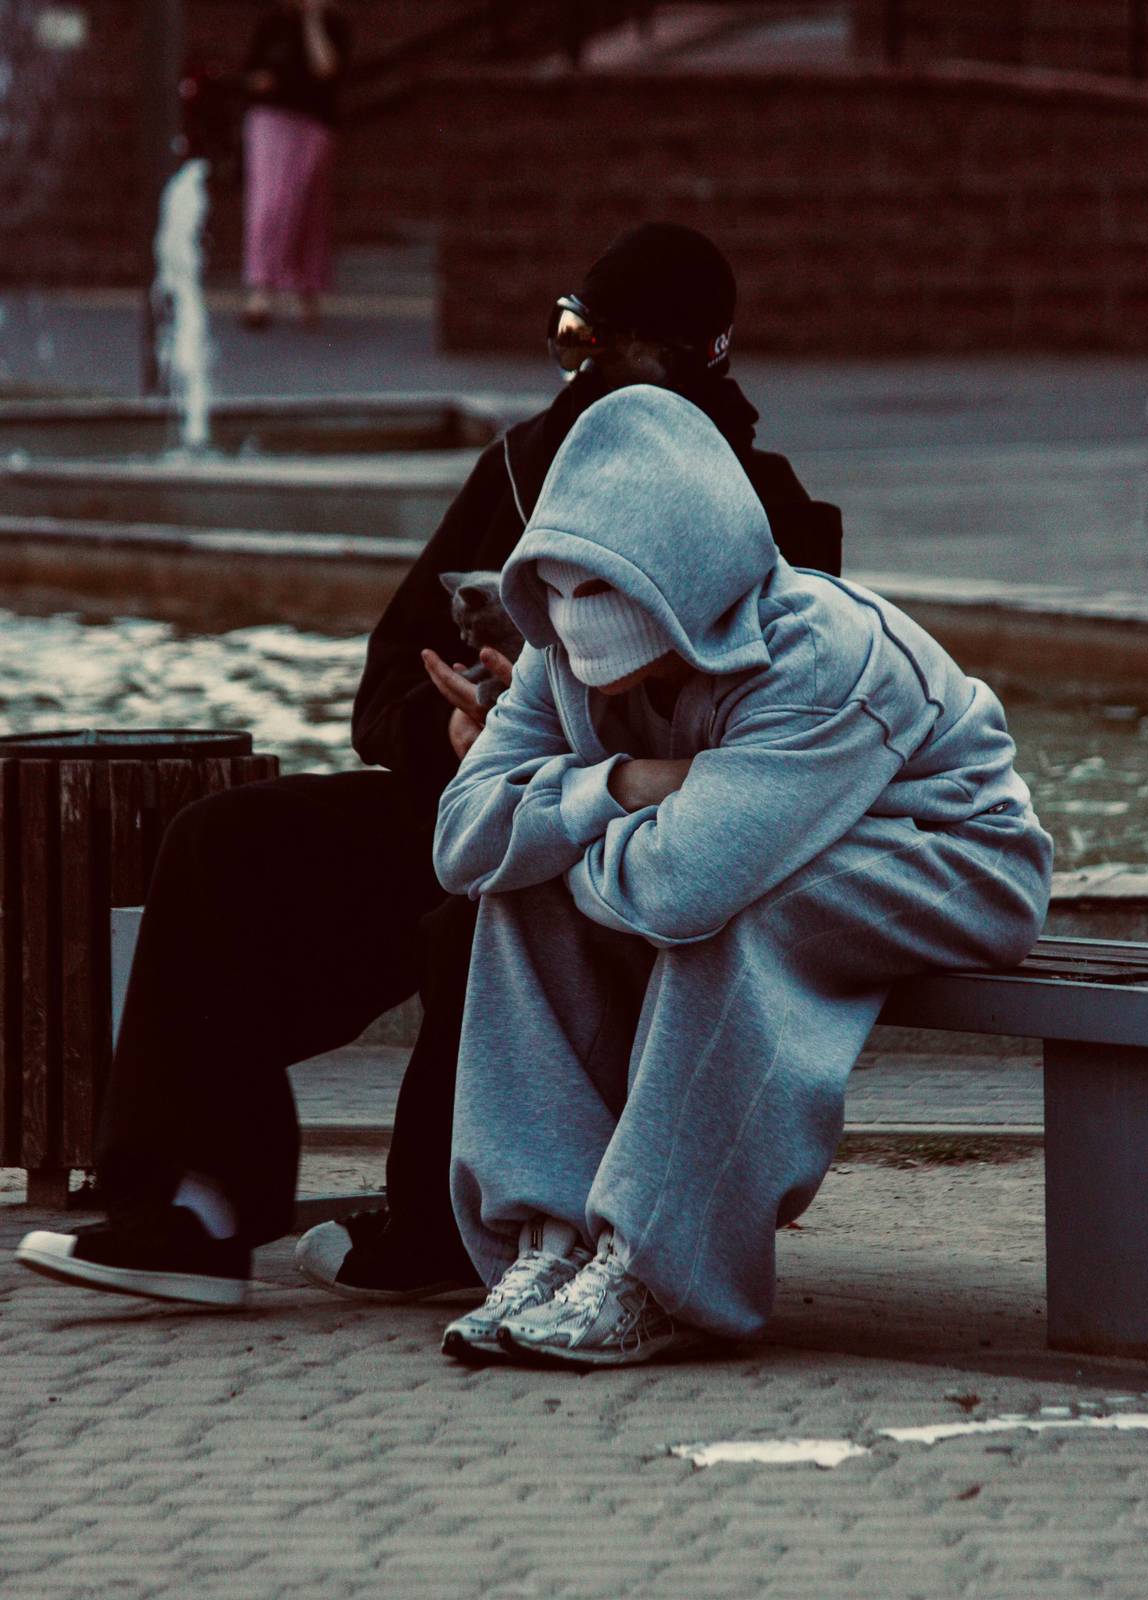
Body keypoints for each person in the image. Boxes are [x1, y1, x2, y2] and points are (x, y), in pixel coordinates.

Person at [14, 224, 845, 1311]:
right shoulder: (520, 470)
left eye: (610, 349)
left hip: (630, 838)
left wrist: (565, 735)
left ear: (694, 358)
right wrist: (446, 730)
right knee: (222, 844)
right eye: (571, 338)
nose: (583, 373)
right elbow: (382, 688)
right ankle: (196, 1209)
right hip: (474, 801)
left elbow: (775, 742)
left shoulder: (767, 510)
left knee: (482, 914)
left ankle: (443, 1224)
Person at [433, 385, 1054, 1366]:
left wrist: (567, 834)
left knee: (742, 913)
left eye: (609, 586)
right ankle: (553, 1237)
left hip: (953, 856)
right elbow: (462, 840)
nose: (577, 617)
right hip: (751, 848)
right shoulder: (559, 662)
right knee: (516, 896)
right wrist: (625, 784)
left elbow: (682, 890)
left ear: (682, 568)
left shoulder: (820, 656)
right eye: (559, 585)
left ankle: (663, 1270)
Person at [241, 0, 352, 330]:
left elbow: (326, 69)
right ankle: (262, 288)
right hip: (271, 118)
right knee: (271, 203)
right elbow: (249, 73)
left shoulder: (333, 24)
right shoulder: (272, 23)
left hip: (313, 123)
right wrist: (262, 81)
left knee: (308, 209)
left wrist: (313, 21)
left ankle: (306, 290)